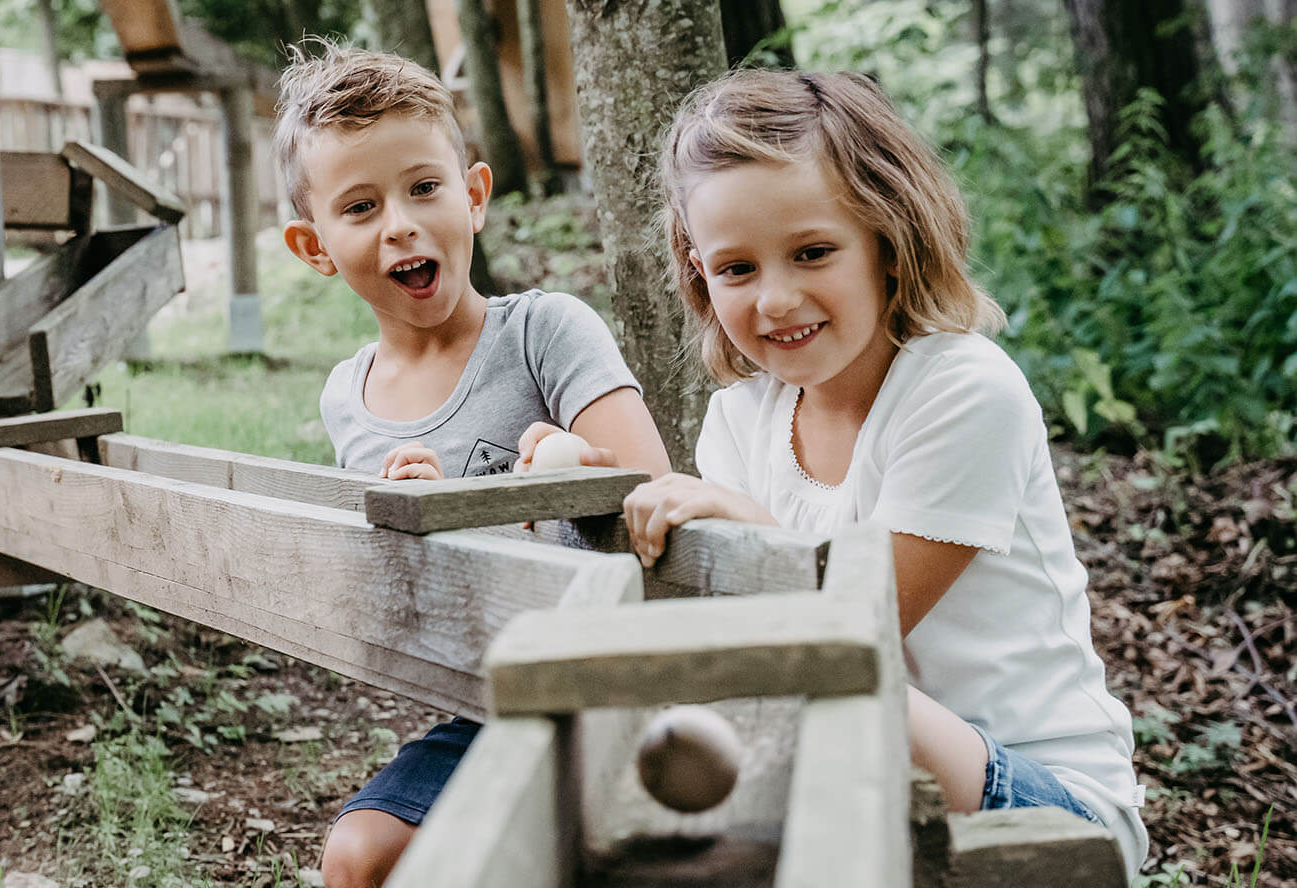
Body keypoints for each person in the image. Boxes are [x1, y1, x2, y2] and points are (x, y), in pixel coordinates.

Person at [556, 69, 1147, 874]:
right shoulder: (741, 417)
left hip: (1036, 792)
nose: (775, 300)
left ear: (888, 240)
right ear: (698, 272)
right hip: (849, 768)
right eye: (736, 269)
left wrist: (746, 531)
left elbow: (851, 641)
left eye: (812, 252)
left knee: (822, 683)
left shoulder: (962, 390)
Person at [273, 39, 671, 887]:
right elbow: (396, 594)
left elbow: (655, 508)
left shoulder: (544, 333)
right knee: (357, 859)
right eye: (361, 206)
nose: (402, 223)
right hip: (488, 707)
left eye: (424, 187)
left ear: (474, 195)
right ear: (314, 247)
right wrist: (404, 525)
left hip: (618, 689)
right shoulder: (348, 398)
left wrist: (563, 469)